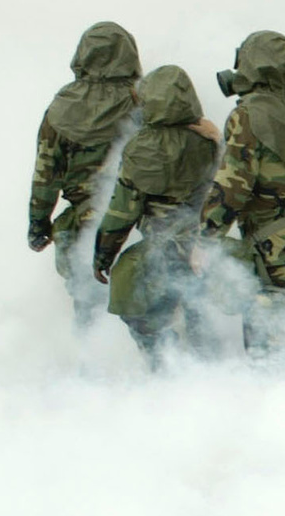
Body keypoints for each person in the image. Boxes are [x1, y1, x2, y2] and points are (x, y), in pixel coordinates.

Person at [200, 31, 285, 357]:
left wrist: (205, 240)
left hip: (270, 250)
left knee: (269, 356)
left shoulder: (246, 115)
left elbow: (233, 186)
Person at [92, 66, 218, 367]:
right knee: (200, 321)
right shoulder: (208, 142)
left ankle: (165, 375)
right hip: (203, 249)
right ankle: (210, 382)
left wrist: (103, 257)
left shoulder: (140, 149)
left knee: (147, 323)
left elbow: (121, 212)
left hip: (160, 252)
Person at [29, 22, 142, 330]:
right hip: (135, 219)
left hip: (82, 224)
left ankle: (90, 368)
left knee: (86, 305)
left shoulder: (61, 106)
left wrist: (38, 224)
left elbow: (46, 174)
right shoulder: (141, 101)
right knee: (139, 303)